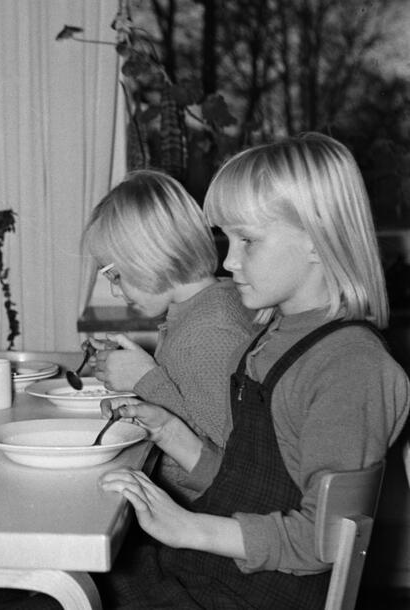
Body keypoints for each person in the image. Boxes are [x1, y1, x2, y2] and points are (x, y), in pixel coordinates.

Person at [98, 133, 410, 609]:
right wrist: (172, 432)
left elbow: (321, 540)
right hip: (215, 578)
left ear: (316, 237)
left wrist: (188, 528)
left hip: (257, 595)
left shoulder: (349, 365)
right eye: (227, 238)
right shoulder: (275, 337)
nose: (228, 260)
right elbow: (254, 487)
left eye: (248, 240)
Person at [83, 169, 256, 503]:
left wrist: (146, 380)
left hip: (192, 512)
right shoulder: (204, 307)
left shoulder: (213, 331)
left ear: (149, 256)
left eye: (115, 275)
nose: (116, 292)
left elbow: (220, 463)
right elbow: (186, 389)